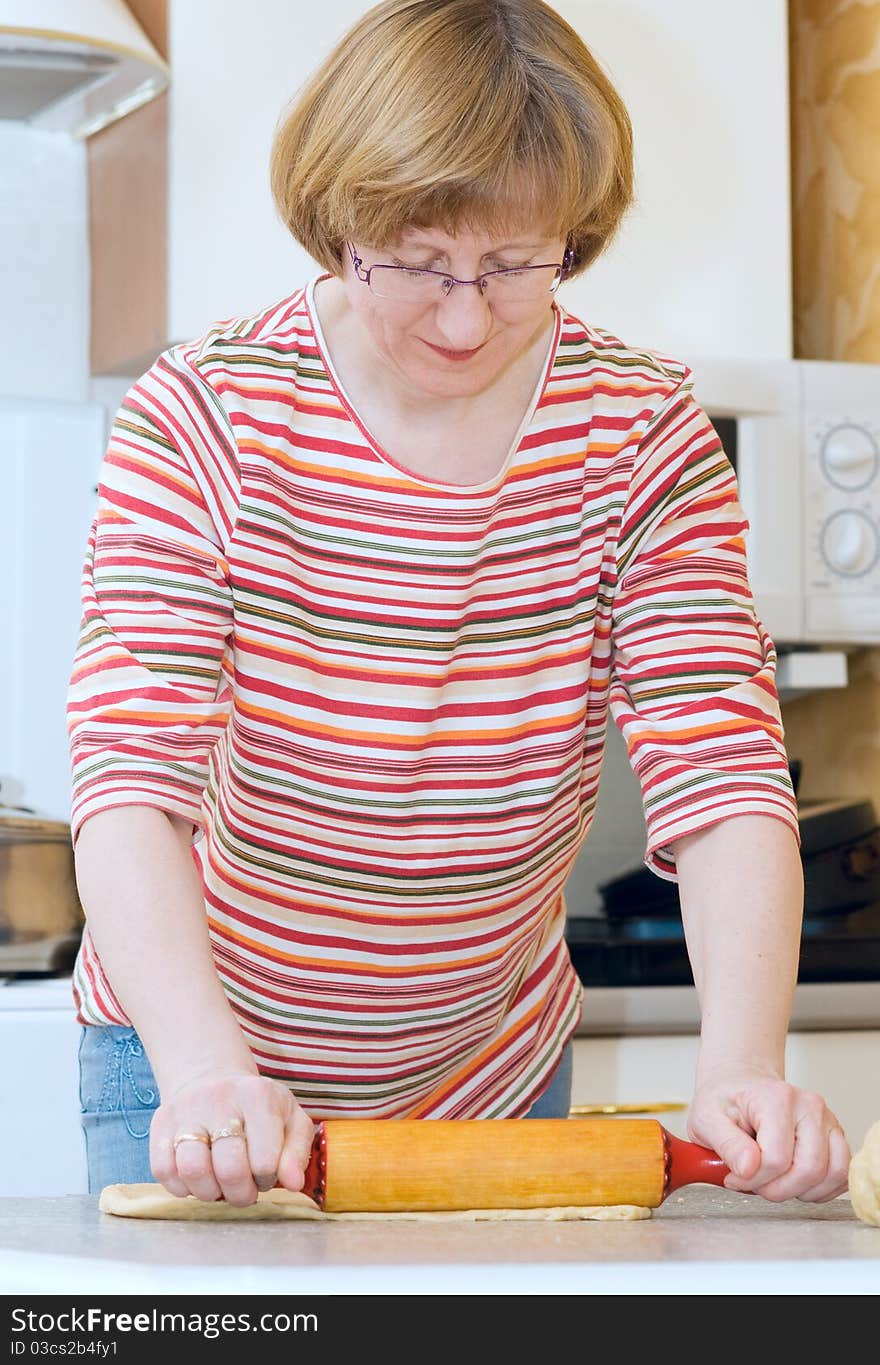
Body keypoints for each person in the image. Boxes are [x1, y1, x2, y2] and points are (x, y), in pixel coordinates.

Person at [68, 0, 850, 1209]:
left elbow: (724, 769)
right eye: (422, 263)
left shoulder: (641, 436)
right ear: (337, 224)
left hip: (488, 1075)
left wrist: (742, 1064)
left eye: (517, 265)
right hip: (192, 1062)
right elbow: (130, 778)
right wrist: (206, 1067)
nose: (467, 317)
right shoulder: (205, 414)